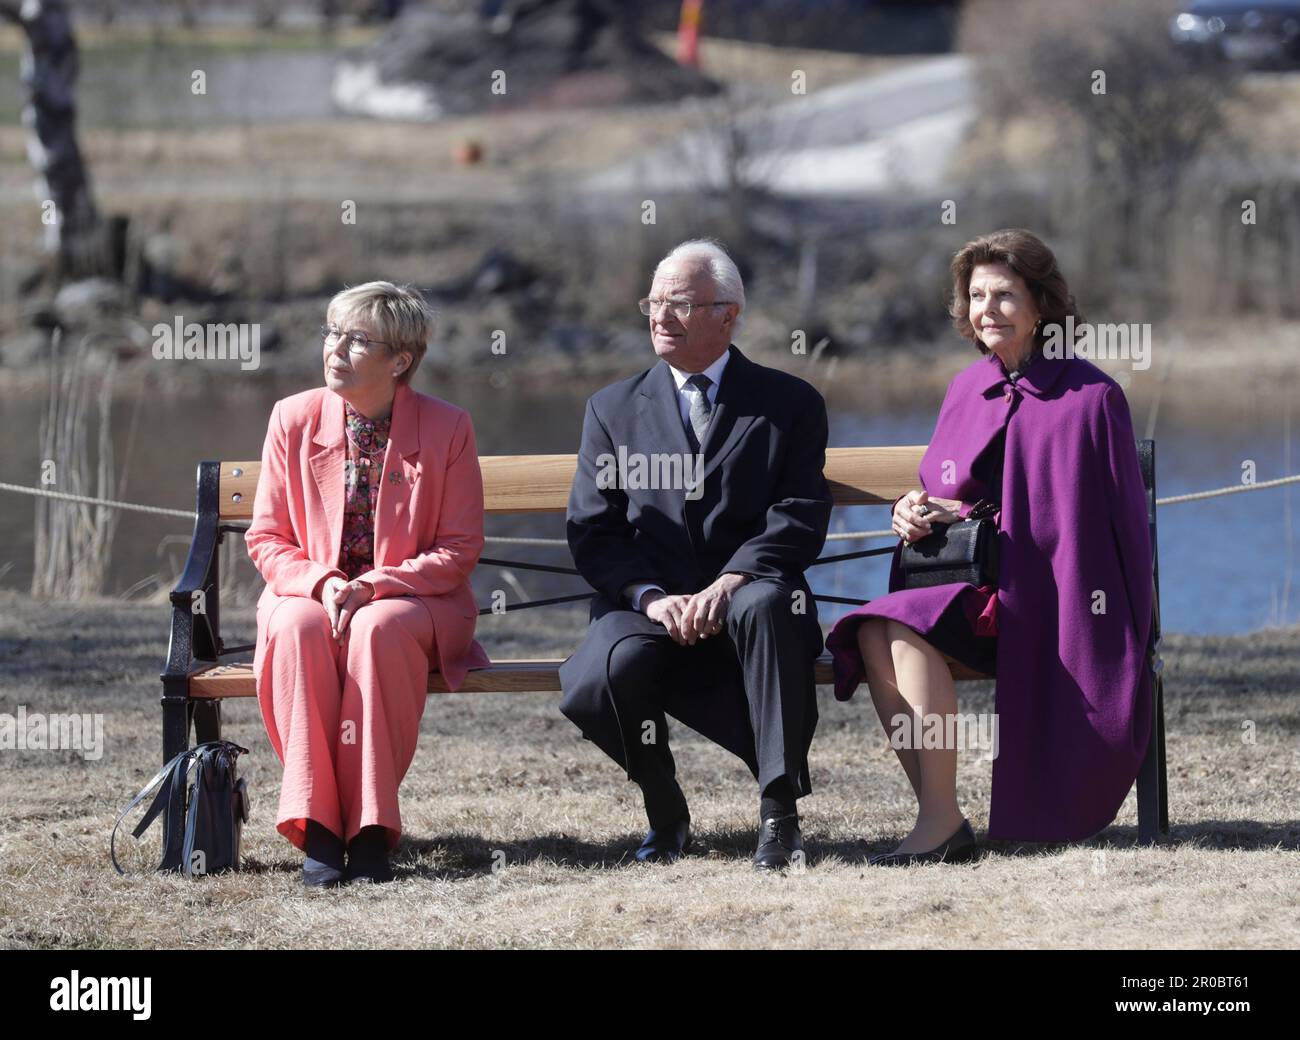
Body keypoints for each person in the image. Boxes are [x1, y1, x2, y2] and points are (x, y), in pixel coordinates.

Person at [825, 228, 1154, 865]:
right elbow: (942, 486)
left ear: (1041, 304)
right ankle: (940, 816)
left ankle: (939, 827)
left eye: (1004, 294)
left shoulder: (1091, 398)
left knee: (894, 628)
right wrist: (911, 510)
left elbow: (1109, 527)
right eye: (976, 296)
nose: (987, 310)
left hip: (1051, 602)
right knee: (873, 629)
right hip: (971, 594)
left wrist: (1134, 627)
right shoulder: (965, 390)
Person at [559, 239, 833, 870]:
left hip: (751, 587)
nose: (660, 316)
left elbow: (799, 514)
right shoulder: (612, 408)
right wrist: (652, 600)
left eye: (678, 304)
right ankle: (664, 810)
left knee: (768, 609)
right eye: (653, 302)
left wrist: (733, 579)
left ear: (726, 314)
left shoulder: (788, 403)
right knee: (609, 667)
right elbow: (593, 531)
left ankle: (778, 815)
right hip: (650, 599)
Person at [245, 281, 490, 887]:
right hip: (310, 595)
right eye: (332, 333)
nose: (335, 348)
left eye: (357, 340)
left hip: (410, 601)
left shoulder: (448, 427)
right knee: (301, 626)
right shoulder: (292, 418)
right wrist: (324, 583)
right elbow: (267, 538)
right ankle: (319, 825)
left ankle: (371, 829)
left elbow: (458, 551)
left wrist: (375, 585)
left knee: (376, 629)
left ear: (400, 360)